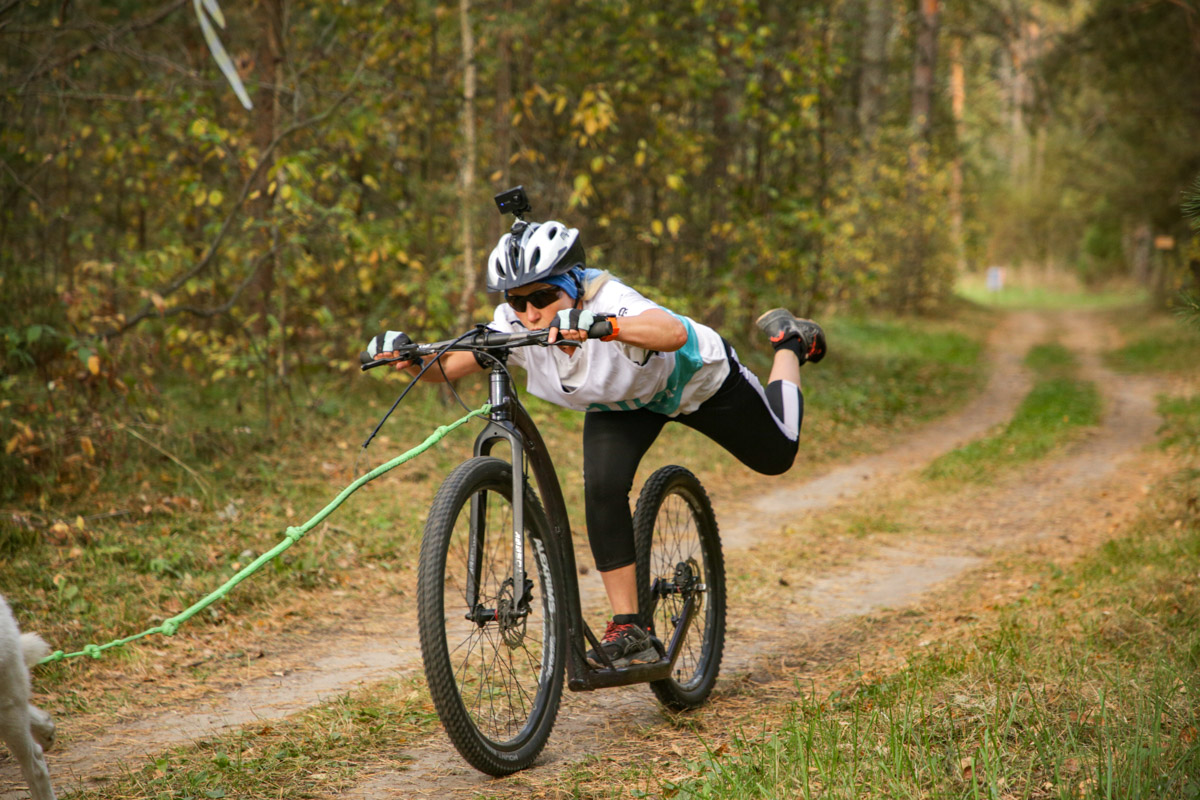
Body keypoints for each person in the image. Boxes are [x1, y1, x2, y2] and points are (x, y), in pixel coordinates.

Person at [367, 216, 825, 668]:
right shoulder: (515, 325)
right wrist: (407, 359)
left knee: (778, 455)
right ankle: (630, 628)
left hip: (697, 385)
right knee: (601, 489)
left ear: (573, 283)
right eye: (517, 300)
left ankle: (788, 343)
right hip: (622, 407)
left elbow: (673, 331)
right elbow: (446, 368)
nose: (529, 313)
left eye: (544, 297)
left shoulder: (609, 297)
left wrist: (604, 325)